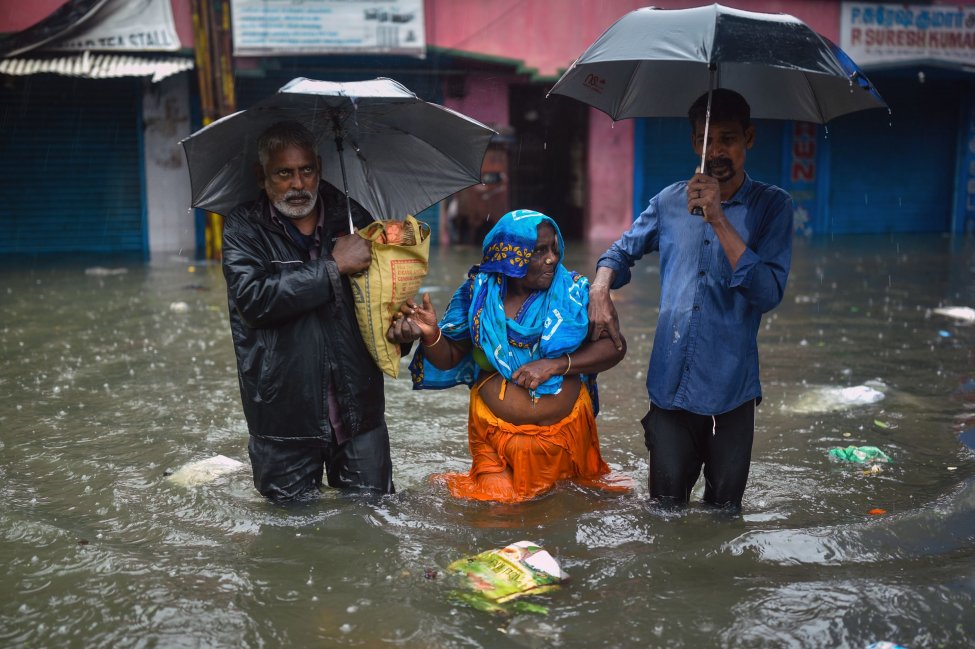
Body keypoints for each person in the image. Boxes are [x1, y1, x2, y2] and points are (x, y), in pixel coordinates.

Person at [588, 89, 794, 511]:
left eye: (726, 139)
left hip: (731, 391)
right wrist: (600, 289)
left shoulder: (772, 207)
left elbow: (767, 293)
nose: (714, 151)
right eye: (704, 139)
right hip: (669, 387)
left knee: (724, 517)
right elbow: (618, 253)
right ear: (692, 141)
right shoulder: (668, 201)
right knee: (663, 514)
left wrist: (717, 218)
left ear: (749, 139)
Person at [388, 209, 628, 503]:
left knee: (563, 514)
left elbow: (615, 347)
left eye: (554, 248)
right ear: (509, 255)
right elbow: (449, 358)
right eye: (539, 251)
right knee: (497, 513)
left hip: (566, 437)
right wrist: (431, 334)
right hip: (493, 440)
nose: (552, 258)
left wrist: (555, 365)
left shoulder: (576, 293)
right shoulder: (477, 297)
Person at [221, 120, 394, 502]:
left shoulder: (353, 220)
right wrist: (334, 266)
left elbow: (378, 303)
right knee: (290, 536)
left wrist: (402, 330)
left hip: (358, 409)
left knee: (374, 523)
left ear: (319, 168)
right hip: (283, 415)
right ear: (261, 175)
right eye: (284, 173)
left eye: (307, 171)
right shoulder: (243, 228)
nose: (299, 184)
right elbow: (254, 300)